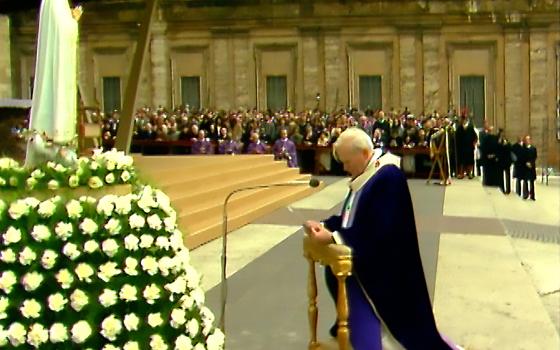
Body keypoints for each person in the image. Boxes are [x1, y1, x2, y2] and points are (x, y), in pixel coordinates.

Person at [304, 127, 459, 350]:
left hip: (388, 273)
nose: (345, 168)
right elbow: (352, 219)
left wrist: (335, 237)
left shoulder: (387, 177)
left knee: (404, 337)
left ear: (365, 154)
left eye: (347, 162)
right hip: (367, 266)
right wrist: (325, 226)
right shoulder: (365, 176)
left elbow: (380, 231)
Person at [25, 0, 83, 167]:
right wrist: (74, 21)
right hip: (57, 70)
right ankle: (56, 145)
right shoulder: (56, 2)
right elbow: (63, 31)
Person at [522, 135, 537, 200]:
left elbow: (535, 157)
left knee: (531, 182)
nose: (528, 141)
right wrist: (526, 163)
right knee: (525, 181)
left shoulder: (533, 148)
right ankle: (525, 194)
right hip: (525, 167)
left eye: (529, 139)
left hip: (531, 167)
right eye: (526, 140)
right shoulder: (523, 148)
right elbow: (522, 157)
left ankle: (532, 195)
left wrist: (531, 163)